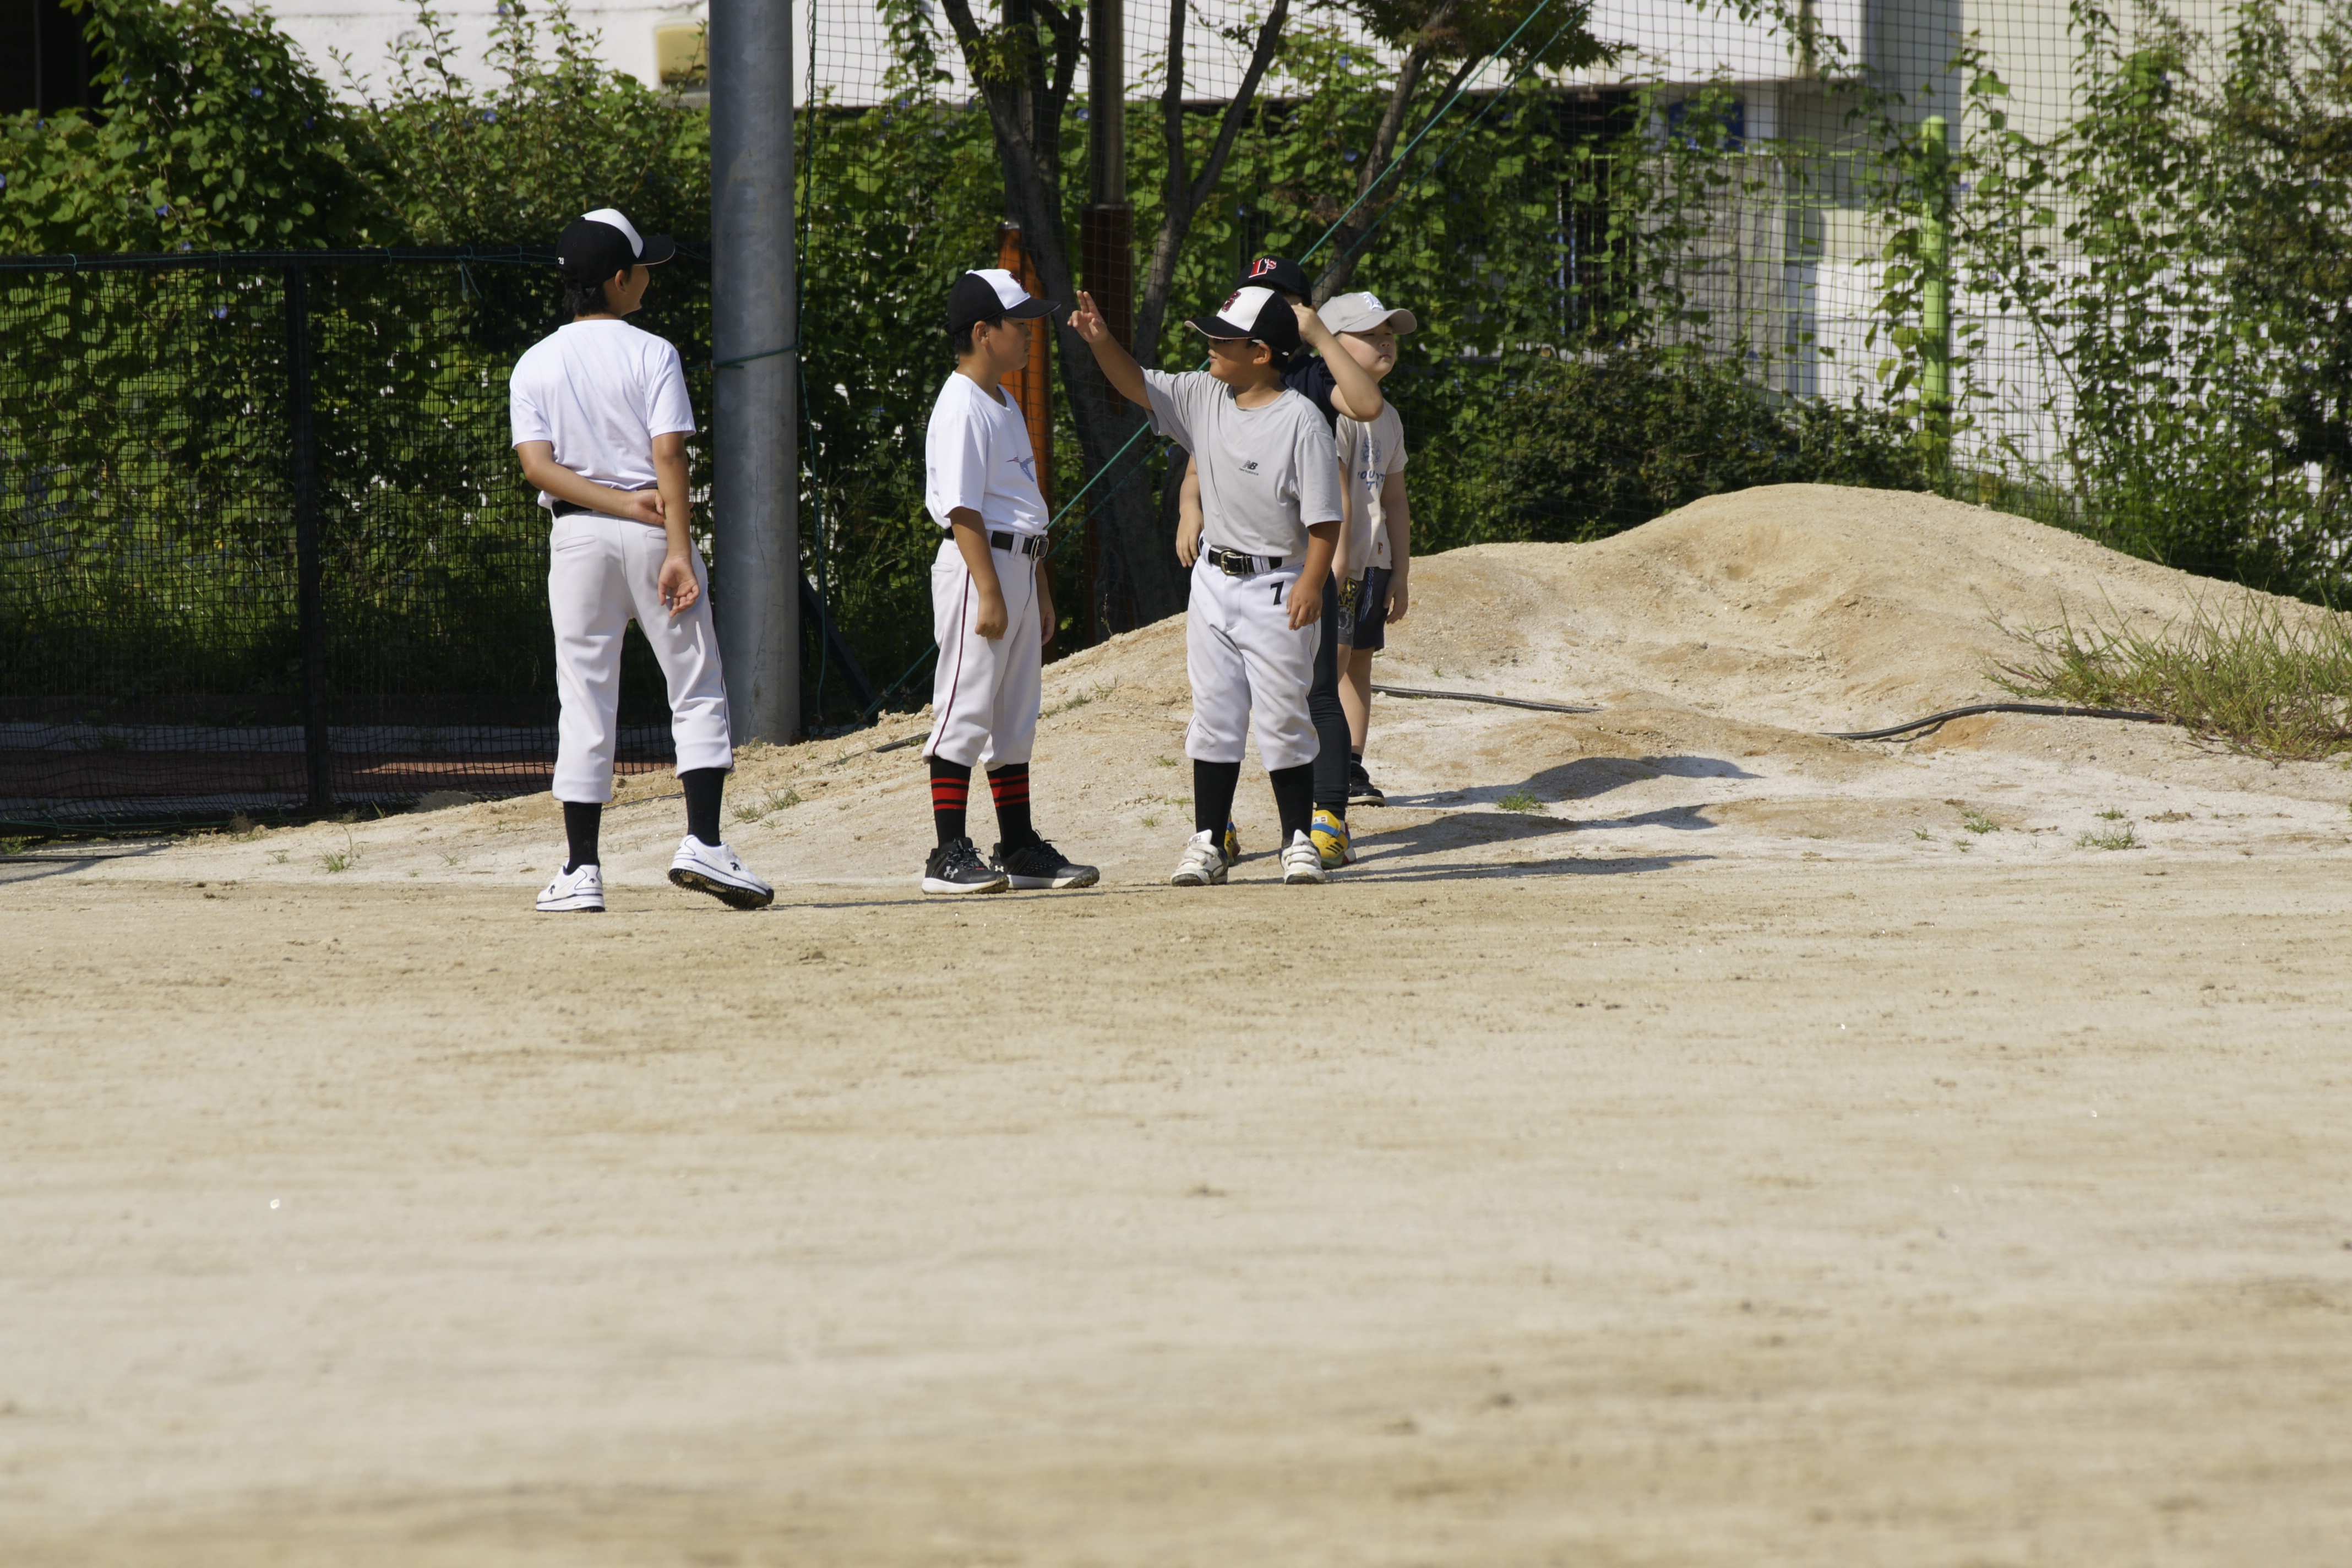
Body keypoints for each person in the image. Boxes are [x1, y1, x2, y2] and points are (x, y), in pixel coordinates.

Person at [511, 208, 774, 914]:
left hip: (576, 541)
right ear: (620, 279)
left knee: (585, 697)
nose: (648, 280)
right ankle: (704, 842)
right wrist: (679, 548)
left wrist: (611, 504)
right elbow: (669, 454)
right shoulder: (653, 352)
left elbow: (538, 467)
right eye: (643, 270)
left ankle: (580, 870)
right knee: (695, 683)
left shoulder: (535, 361)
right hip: (656, 531)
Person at [1072, 282, 1344, 886]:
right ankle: (1209, 842)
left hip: (1278, 584)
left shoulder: (1302, 421)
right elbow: (1136, 383)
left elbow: (1325, 519)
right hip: (1214, 582)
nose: (1210, 347)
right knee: (1215, 714)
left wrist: (1312, 582)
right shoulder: (1204, 394)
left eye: (1224, 340)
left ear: (1262, 354)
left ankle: (1297, 839)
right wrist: (1100, 340)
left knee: (1283, 717)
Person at [1175, 256, 1388, 873]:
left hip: (1301, 564)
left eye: (1280, 297)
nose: (1262, 302)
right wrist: (1190, 507)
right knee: (1223, 704)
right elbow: (1204, 451)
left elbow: (1368, 404)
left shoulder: (1311, 375)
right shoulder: (1230, 371)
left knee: (1316, 691)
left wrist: (1317, 332)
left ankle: (1327, 819)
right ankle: (1217, 828)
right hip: (1234, 567)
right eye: (1253, 292)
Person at [918, 268, 1099, 895]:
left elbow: (1022, 507)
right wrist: (992, 590)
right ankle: (946, 855)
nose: (1028, 334)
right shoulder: (961, 403)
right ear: (982, 332)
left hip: (1018, 564)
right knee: (965, 708)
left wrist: (1039, 586)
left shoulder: (1004, 399)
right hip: (980, 570)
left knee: (1014, 717)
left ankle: (1018, 847)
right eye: (1017, 324)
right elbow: (962, 508)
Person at [1320, 292, 1417, 810]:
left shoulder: (1389, 417)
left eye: (1389, 335)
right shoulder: (1329, 412)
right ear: (1330, 345)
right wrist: (1337, 564)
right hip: (1339, 566)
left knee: (1360, 662)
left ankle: (1351, 766)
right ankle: (1316, 764)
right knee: (1329, 664)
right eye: (1370, 334)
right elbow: (1334, 497)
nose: (1385, 343)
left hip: (1374, 563)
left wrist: (1400, 571)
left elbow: (1394, 498)